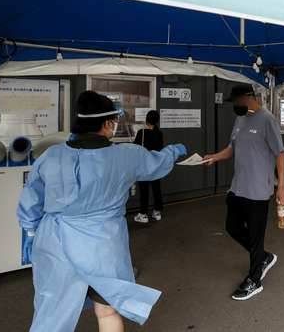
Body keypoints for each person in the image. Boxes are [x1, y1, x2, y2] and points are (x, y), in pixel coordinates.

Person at [16, 91, 186, 332]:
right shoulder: (127, 154)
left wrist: (30, 233)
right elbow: (157, 164)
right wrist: (173, 151)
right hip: (104, 246)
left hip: (57, 243)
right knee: (108, 309)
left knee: (51, 312)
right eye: (115, 122)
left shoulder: (52, 155)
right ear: (108, 123)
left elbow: (31, 198)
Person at [203, 84, 284, 301]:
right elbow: (232, 148)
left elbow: (280, 154)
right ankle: (264, 257)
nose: (236, 105)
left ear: (250, 98)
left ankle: (254, 281)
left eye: (239, 100)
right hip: (238, 186)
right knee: (232, 227)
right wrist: (213, 157)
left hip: (258, 190)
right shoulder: (240, 120)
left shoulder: (267, 119)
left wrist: (282, 187)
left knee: (256, 236)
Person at [134, 110, 165, 223]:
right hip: (155, 165)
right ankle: (157, 212)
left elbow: (136, 149)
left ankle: (144, 214)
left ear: (146, 120)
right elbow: (160, 150)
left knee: (144, 190)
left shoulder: (141, 132)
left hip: (144, 166)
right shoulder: (159, 134)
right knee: (157, 189)